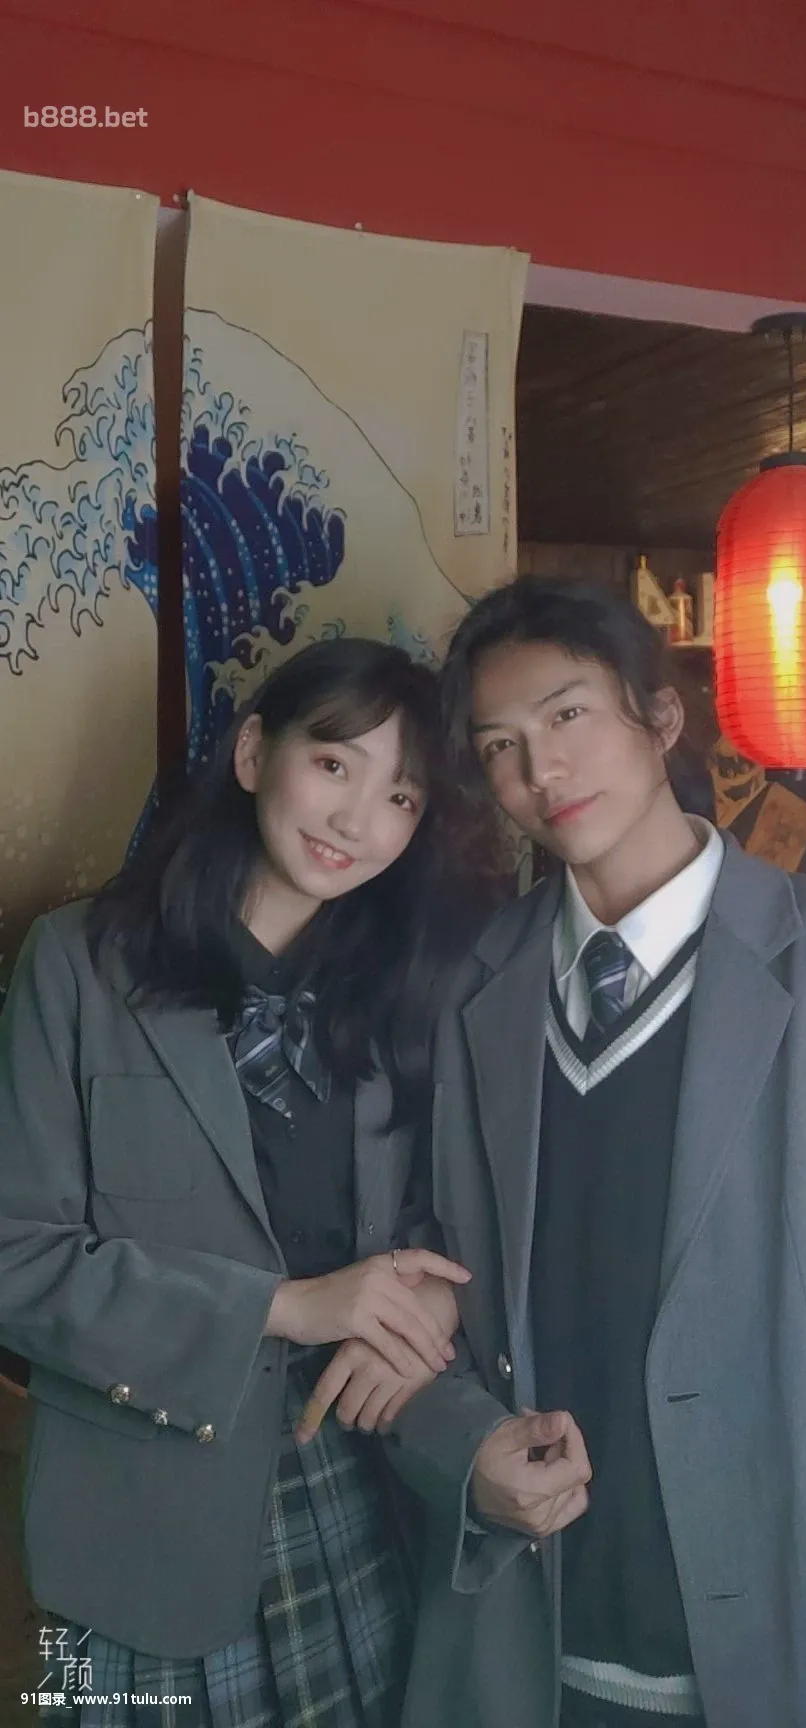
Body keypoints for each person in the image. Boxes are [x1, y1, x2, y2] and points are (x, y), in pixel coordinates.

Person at [367, 575, 806, 1728]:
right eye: (500, 746)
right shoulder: (471, 986)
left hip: (791, 1639)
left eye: (568, 715)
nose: (540, 770)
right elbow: (404, 1271)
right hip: (536, 1639)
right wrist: (463, 1451)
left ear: (662, 716)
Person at [0, 637, 500, 1728]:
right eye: (334, 764)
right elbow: (17, 1261)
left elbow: (451, 1216)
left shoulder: (406, 993)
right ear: (251, 754)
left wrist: (435, 1289)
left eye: (401, 795)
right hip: (132, 1527)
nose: (356, 819)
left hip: (353, 1492)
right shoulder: (77, 963)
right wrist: (283, 1306)